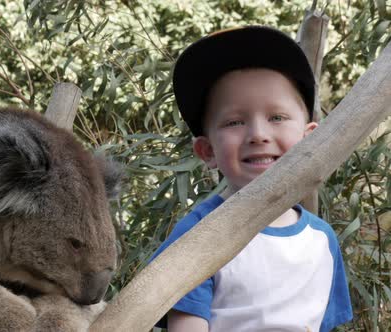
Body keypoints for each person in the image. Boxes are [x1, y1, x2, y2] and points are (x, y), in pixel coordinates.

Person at [149, 26, 353, 331]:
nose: (258, 134)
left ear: (310, 138)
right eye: (234, 121)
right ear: (207, 151)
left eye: (277, 118)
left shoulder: (322, 241)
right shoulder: (200, 234)